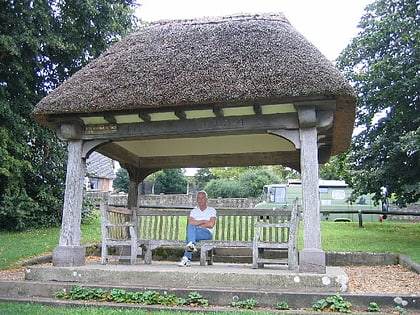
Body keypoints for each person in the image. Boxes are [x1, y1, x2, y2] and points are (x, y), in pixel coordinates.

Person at [178, 191, 217, 267]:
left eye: (202, 198)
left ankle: (188, 254)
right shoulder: (194, 211)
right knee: (191, 227)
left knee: (190, 234)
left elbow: (211, 224)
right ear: (196, 200)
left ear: (206, 199)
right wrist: (203, 221)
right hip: (195, 232)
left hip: (206, 233)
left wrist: (198, 224)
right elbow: (191, 222)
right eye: (199, 198)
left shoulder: (212, 210)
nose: (200, 200)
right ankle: (187, 255)